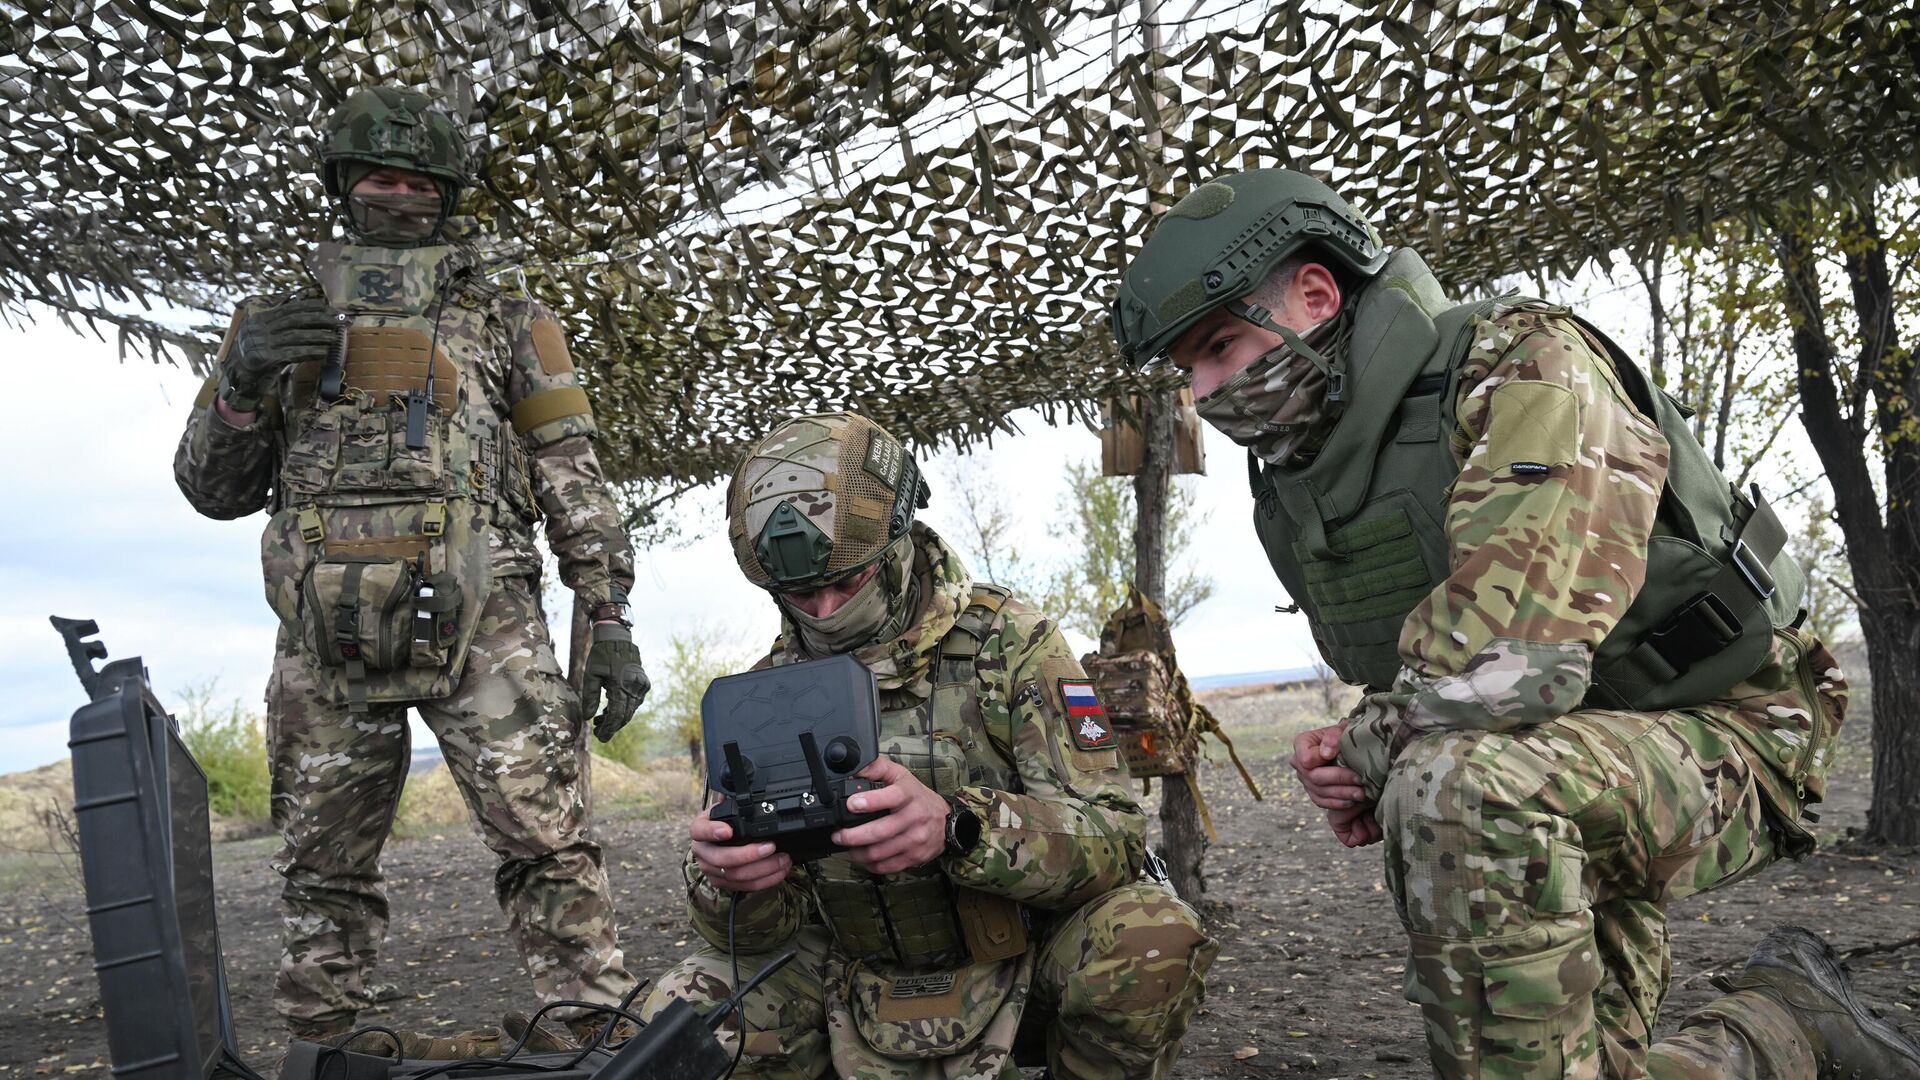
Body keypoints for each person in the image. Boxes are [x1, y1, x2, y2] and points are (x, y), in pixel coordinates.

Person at [1110, 168, 1920, 1079]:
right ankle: (1790, 1031)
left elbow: (1515, 663)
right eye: (1192, 372)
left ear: (1315, 294)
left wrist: (1369, 747)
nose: (1210, 393)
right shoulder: (1308, 477)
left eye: (1221, 347)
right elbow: (1417, 675)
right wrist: (1360, 744)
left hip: (1741, 721)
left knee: (1455, 787)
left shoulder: (1526, 361)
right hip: (1567, 750)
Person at [173, 85, 651, 1047]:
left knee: (548, 841)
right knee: (321, 867)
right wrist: (238, 382)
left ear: (450, 195)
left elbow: (572, 473)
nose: (398, 196)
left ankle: (596, 1036)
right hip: (325, 625)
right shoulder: (273, 325)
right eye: (379, 176)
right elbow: (212, 490)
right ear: (343, 185)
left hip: (488, 611)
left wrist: (607, 615)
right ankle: (326, 1048)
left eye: (418, 181)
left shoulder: (513, 319)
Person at [635, 412, 1216, 1079]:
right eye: (799, 594)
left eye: (845, 582)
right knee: (680, 1016)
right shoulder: (765, 697)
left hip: (1014, 954)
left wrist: (960, 828)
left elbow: (1115, 836)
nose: (823, 612)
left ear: (898, 540)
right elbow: (750, 937)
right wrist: (730, 884)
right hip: (846, 970)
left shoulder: (1013, 643)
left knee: (1152, 936)